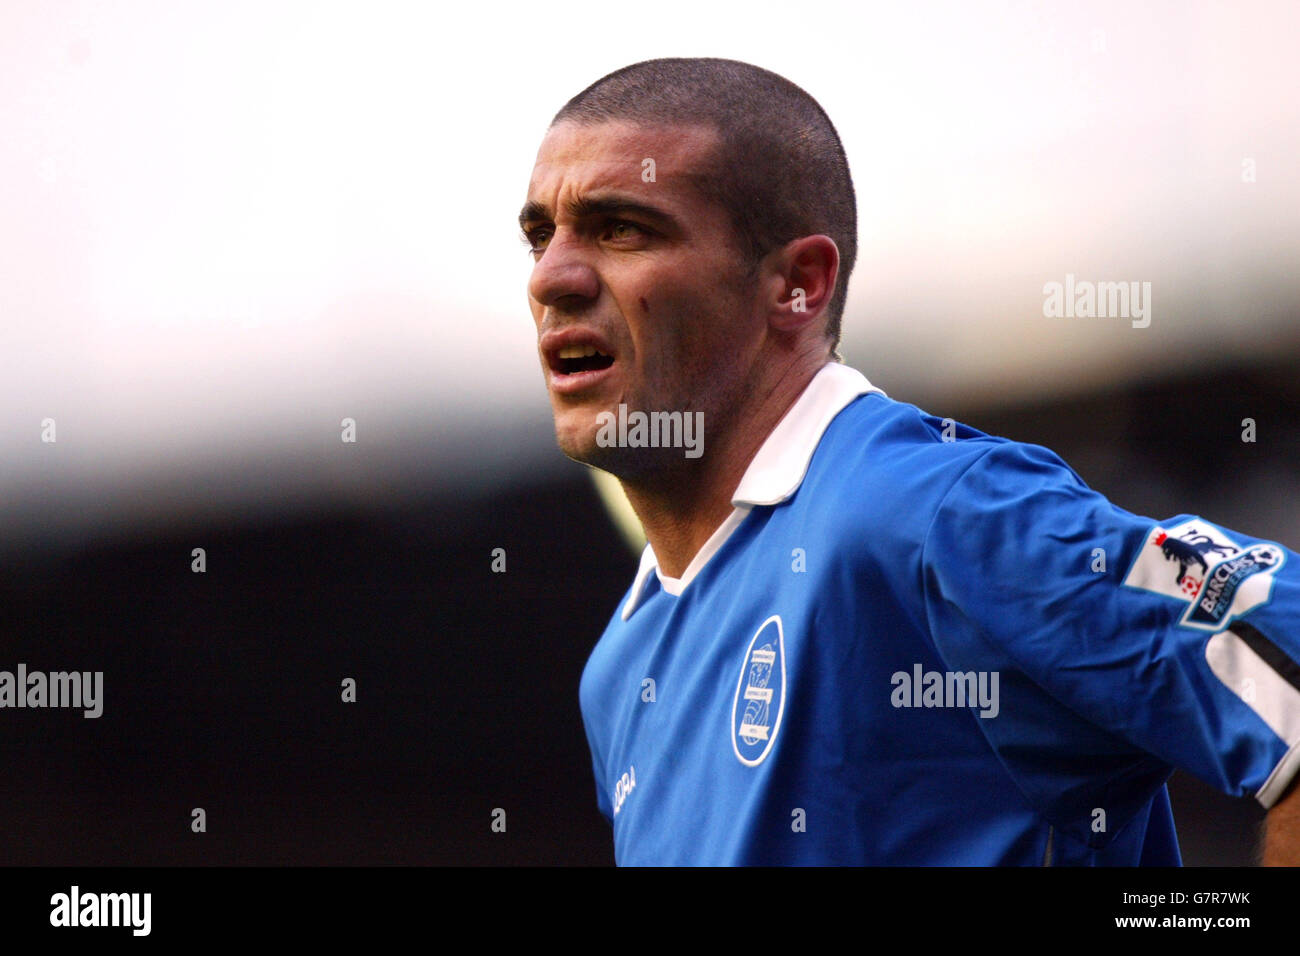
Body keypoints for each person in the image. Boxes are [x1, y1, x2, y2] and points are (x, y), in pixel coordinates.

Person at [519, 57, 1300, 865]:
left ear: (799, 285)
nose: (553, 277)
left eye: (622, 229)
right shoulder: (620, 665)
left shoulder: (934, 513)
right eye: (541, 235)